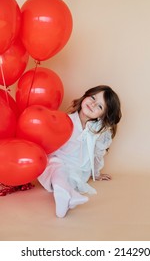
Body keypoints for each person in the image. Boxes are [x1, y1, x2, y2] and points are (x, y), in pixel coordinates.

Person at [38, 85, 122, 218]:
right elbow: (48, 143)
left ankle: (67, 194)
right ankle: (66, 196)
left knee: (65, 175)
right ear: (85, 96)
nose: (93, 104)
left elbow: (97, 153)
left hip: (78, 170)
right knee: (56, 166)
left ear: (103, 115)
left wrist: (96, 173)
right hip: (56, 161)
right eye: (93, 97)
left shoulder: (97, 131)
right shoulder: (64, 120)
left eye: (100, 106)